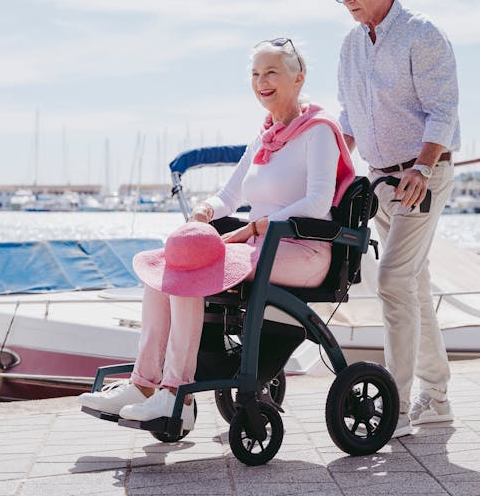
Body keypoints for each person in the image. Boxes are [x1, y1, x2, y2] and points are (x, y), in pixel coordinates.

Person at [79, 38, 355, 430]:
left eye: (271, 72)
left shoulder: (320, 131)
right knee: (169, 266)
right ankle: (145, 385)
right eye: (256, 74)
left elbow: (317, 202)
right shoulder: (264, 137)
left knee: (193, 269)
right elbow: (230, 194)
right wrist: (206, 210)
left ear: (299, 77)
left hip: (304, 250)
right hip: (264, 247)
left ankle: (177, 392)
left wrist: (259, 226)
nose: (262, 81)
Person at [332, 0, 460, 438]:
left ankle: (397, 406)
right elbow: (348, 116)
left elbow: (443, 110)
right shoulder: (350, 46)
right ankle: (439, 395)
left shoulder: (422, 34)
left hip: (421, 178)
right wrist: (335, 167)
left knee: (390, 280)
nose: (347, 1)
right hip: (380, 179)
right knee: (412, 286)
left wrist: (423, 167)